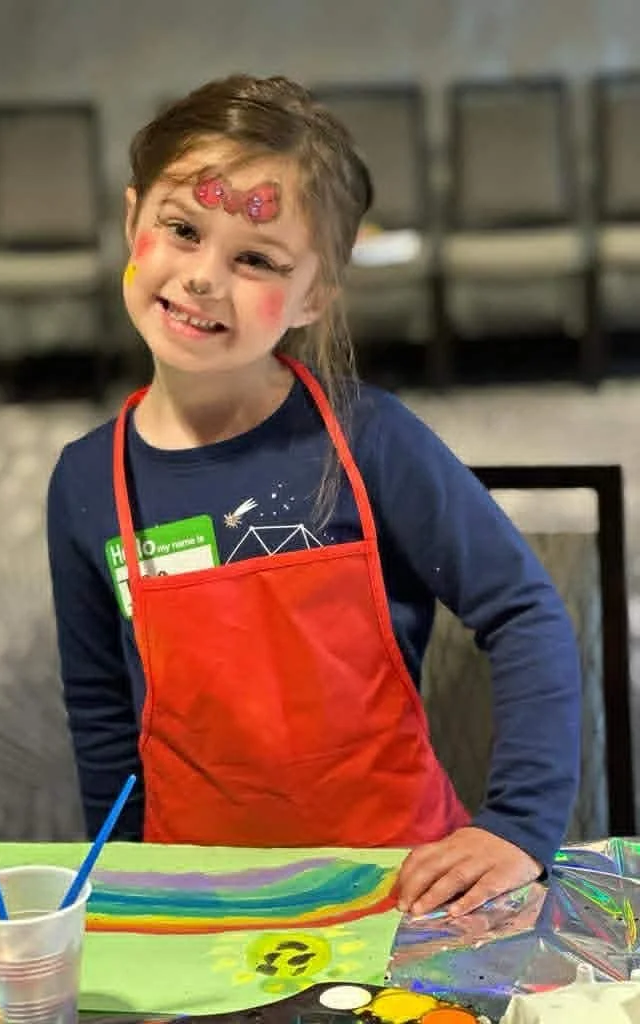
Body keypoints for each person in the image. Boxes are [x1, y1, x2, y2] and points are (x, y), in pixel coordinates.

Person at [47, 74, 581, 918]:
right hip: (202, 903)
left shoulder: (371, 439)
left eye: (256, 259)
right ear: (131, 219)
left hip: (400, 890)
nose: (203, 278)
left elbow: (523, 613)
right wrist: (125, 887)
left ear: (316, 294)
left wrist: (518, 826)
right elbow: (102, 713)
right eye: (181, 230)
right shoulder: (84, 481)